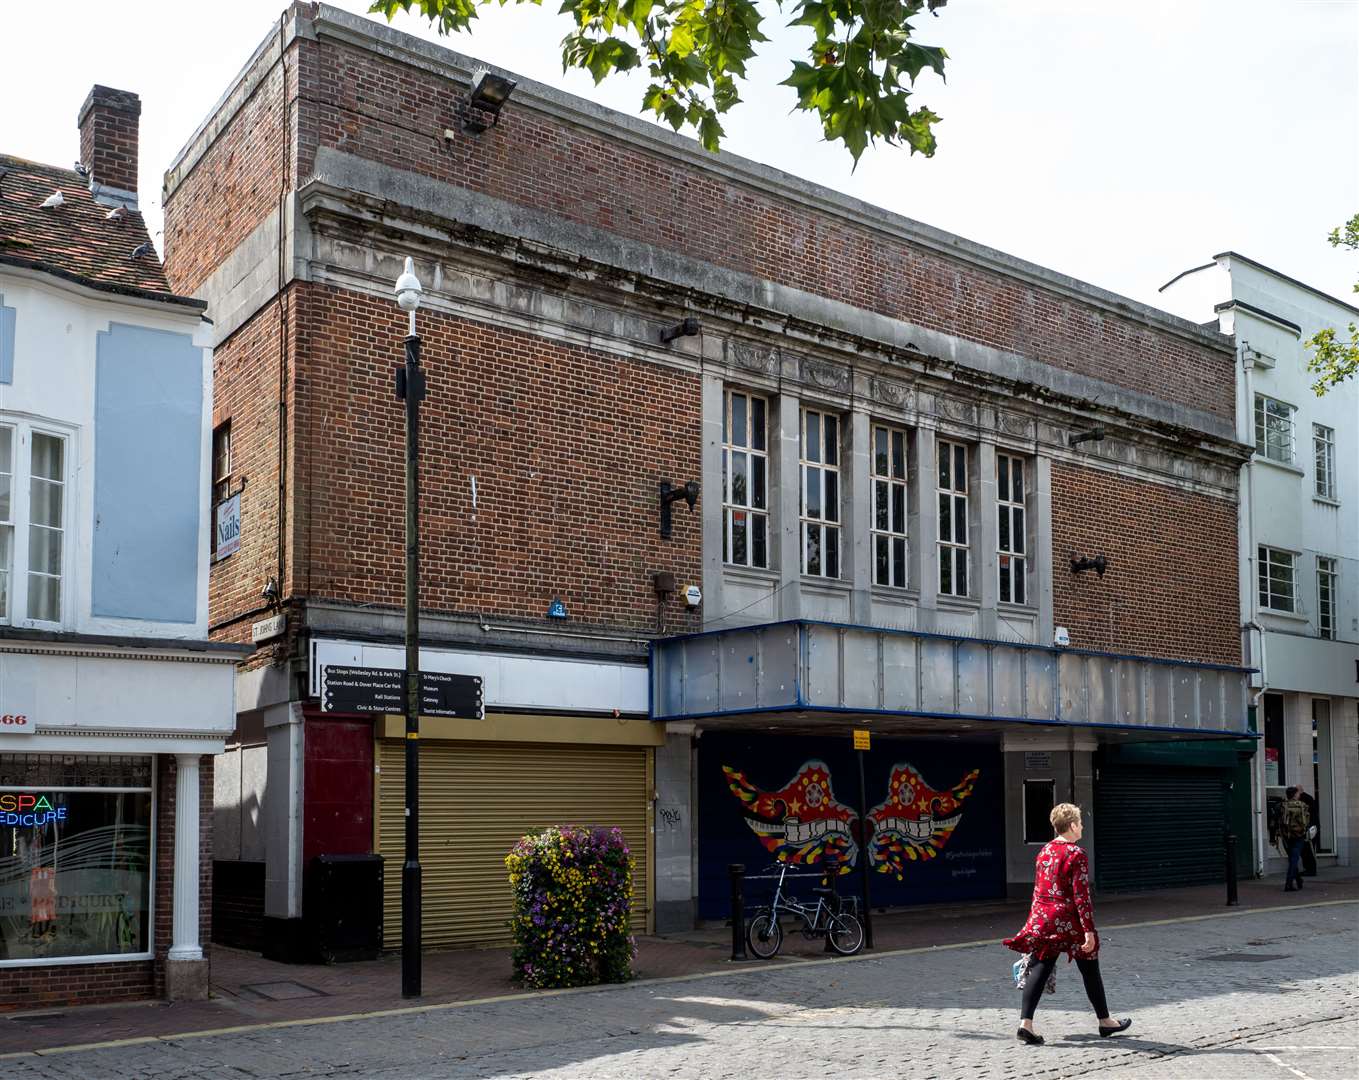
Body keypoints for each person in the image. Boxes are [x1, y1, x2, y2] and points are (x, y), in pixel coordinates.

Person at [1003, 803, 1131, 1046]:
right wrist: (1089, 931)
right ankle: (1105, 1021)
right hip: (1068, 921)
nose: (1082, 826)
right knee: (1090, 966)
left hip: (1043, 917)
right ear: (1072, 825)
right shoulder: (1076, 853)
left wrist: (1034, 922)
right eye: (1080, 822)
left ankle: (1025, 1024)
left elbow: (1038, 890)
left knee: (1041, 966)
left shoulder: (1044, 851)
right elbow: (1081, 896)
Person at [1280, 786, 1310, 891]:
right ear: (1294, 795)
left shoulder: (1282, 805)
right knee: (1294, 859)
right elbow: (1306, 821)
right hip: (1298, 835)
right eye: (1298, 793)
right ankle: (1288, 883)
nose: (1299, 795)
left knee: (1292, 858)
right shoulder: (1302, 806)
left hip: (1286, 836)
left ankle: (1298, 880)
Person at [1297, 785, 1319, 877]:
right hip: (1310, 827)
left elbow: (1308, 814)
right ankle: (1309, 869)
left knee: (1308, 849)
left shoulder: (1305, 799)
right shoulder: (1308, 798)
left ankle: (1311, 869)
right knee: (1307, 849)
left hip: (1309, 828)